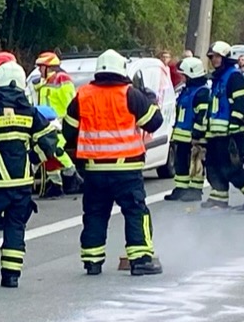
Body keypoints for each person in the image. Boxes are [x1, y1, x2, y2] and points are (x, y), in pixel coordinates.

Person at [63, 50, 166, 276]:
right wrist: (150, 100)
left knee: (95, 213)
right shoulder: (130, 94)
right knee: (135, 211)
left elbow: (68, 131)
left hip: (94, 169)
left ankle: (92, 261)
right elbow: (154, 122)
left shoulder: (83, 95)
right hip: (126, 169)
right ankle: (140, 259)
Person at [0, 61, 61, 288]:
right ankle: (11, 276)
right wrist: (33, 159)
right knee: (16, 227)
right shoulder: (30, 112)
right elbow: (50, 140)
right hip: (21, 184)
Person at [200, 40, 244, 208]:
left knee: (231, 168)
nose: (214, 60)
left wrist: (234, 125)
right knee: (213, 166)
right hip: (216, 135)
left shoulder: (234, 76)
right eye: (212, 57)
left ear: (226, 57)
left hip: (230, 134)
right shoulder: (218, 78)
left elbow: (242, 102)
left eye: (217, 56)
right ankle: (219, 198)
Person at [32, 54, 81, 194]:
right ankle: (55, 184)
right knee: (47, 154)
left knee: (56, 149)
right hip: (45, 123)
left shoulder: (62, 79)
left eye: (41, 67)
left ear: (48, 67)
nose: (39, 70)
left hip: (59, 123)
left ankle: (73, 176)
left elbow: (71, 101)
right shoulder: (44, 82)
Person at [166, 55, 209, 200]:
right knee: (181, 164)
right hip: (182, 136)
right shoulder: (187, 90)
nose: (182, 78)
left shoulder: (202, 92)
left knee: (196, 163)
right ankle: (181, 188)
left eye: (184, 75)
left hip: (194, 137)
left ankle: (195, 191)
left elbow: (202, 115)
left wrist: (197, 133)